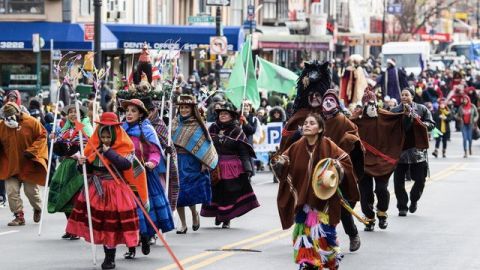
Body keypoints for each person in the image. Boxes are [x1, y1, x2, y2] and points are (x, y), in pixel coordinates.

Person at [271, 113, 358, 270]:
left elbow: (345, 160)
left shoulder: (329, 145)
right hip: (304, 202)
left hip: (324, 202)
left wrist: (337, 167)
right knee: (304, 236)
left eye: (311, 123)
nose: (306, 125)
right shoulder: (296, 146)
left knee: (324, 238)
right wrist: (279, 164)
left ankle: (330, 261)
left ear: (320, 128)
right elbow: (284, 161)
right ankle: (308, 263)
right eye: (305, 123)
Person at [66, 112, 144, 270]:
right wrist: (82, 163)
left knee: (113, 225)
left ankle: (114, 256)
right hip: (97, 189)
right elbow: (87, 171)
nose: (106, 140)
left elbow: (125, 165)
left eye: (109, 137)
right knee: (102, 225)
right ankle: (108, 255)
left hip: (116, 190)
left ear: (115, 134)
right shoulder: (93, 148)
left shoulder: (125, 147)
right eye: (103, 137)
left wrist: (109, 152)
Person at [121, 99, 174, 258]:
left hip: (143, 174)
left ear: (141, 114)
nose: (129, 114)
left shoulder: (147, 130)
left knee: (144, 210)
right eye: (127, 111)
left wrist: (152, 162)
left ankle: (145, 237)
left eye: (133, 111)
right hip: (124, 175)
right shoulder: (120, 130)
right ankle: (131, 246)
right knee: (127, 210)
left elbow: (155, 151)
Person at [352, 90, 408, 231]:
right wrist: (352, 117)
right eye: (368, 103)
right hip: (363, 162)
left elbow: (398, 120)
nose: (371, 106)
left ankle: (382, 213)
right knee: (365, 192)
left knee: (382, 189)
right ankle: (369, 218)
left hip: (382, 162)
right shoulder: (357, 119)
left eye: (373, 103)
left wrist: (407, 115)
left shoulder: (384, 116)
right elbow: (343, 127)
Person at [201, 103, 260, 228]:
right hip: (214, 165)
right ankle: (219, 214)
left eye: (226, 114)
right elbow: (206, 147)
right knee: (215, 192)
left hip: (231, 167)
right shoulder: (212, 128)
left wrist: (248, 168)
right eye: (221, 114)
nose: (223, 116)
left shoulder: (237, 130)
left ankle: (226, 218)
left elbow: (243, 152)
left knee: (228, 193)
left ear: (232, 116)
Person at [320, 90, 363, 252]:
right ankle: (322, 240)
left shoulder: (343, 120)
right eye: (326, 100)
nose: (328, 103)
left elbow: (354, 135)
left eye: (331, 100)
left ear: (337, 103)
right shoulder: (318, 120)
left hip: (340, 170)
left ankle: (353, 234)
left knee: (342, 206)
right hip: (319, 170)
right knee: (316, 207)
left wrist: (345, 145)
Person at [171, 95, 218, 234]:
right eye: (182, 107)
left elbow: (206, 143)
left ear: (192, 109)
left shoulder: (197, 124)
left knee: (188, 192)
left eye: (187, 107)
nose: (184, 110)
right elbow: (169, 140)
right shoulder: (174, 123)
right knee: (177, 192)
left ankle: (194, 214)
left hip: (191, 161)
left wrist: (204, 161)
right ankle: (183, 224)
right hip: (176, 160)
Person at [48, 103, 93, 239]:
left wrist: (79, 154)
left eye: (76, 112)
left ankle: (76, 229)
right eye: (70, 112)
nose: (73, 114)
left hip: (79, 166)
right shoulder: (66, 129)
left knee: (74, 198)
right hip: (66, 166)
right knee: (63, 196)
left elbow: (90, 144)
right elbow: (60, 148)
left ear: (81, 115)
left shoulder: (83, 127)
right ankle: (70, 227)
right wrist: (54, 139)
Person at [0, 102, 48, 226]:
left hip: (28, 165)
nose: (9, 119)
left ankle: (38, 208)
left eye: (11, 116)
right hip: (10, 166)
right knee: (11, 191)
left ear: (18, 113)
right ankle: (19, 216)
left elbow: (43, 136)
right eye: (6, 117)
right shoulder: (2, 126)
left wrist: (33, 151)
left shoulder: (32, 122)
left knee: (31, 191)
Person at [391, 88, 434, 216]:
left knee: (420, 179)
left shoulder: (421, 109)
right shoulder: (394, 111)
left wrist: (421, 124)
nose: (404, 97)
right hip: (400, 150)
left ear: (412, 97)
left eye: (406, 95)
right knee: (398, 182)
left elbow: (431, 123)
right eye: (402, 95)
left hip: (418, 151)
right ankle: (402, 206)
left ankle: (414, 200)